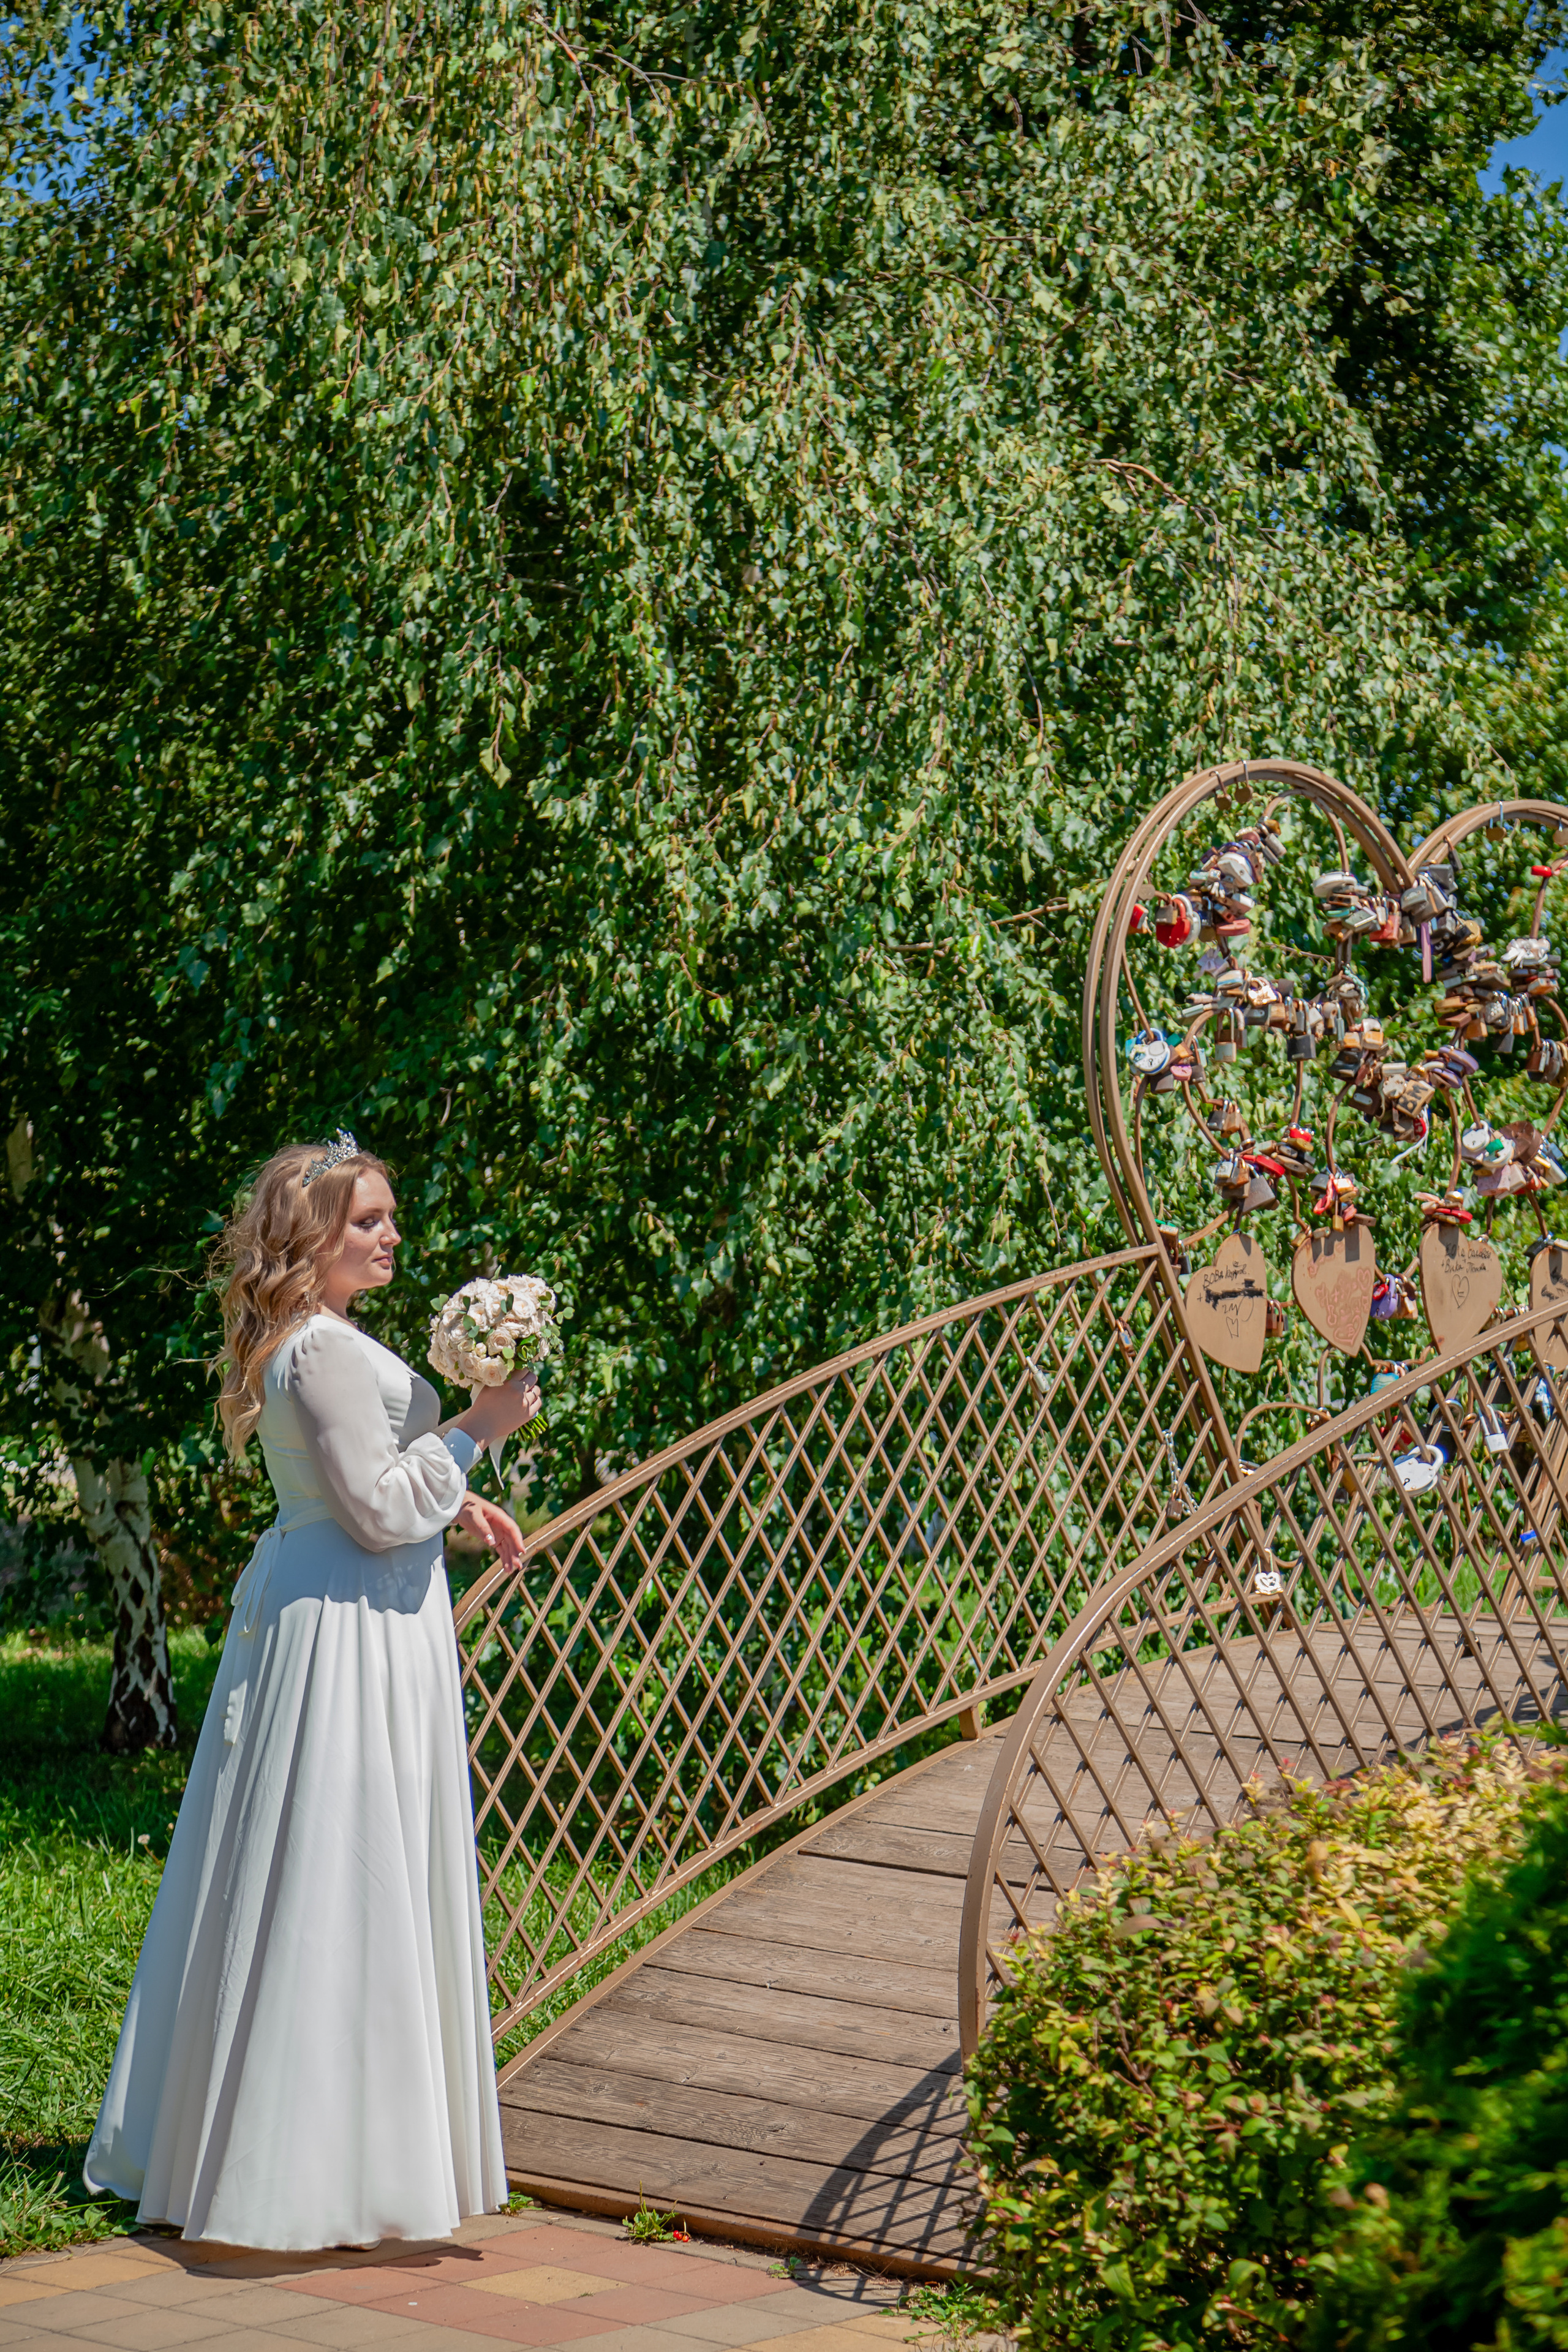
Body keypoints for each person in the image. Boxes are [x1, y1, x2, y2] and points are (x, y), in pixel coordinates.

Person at [83, 1133, 541, 2250]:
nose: (392, 1236)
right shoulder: (321, 1348)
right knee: (340, 1865)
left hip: (357, 1605)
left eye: (389, 1217)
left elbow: (376, 1489)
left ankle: (330, 2147)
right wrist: (482, 1430)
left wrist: (456, 1502)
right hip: (345, 1627)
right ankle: (310, 2167)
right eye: (368, 1221)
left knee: (329, 1860)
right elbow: (377, 1511)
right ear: (312, 1235)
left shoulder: (317, 1340)